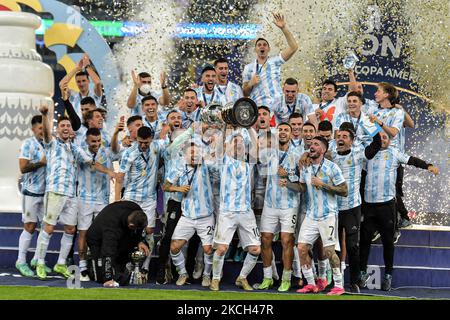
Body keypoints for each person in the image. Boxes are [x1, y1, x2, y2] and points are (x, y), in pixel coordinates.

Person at [359, 132, 439, 291]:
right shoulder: (366, 155)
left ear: (390, 140)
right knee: (364, 241)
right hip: (368, 205)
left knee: (388, 242)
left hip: (387, 206)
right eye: (379, 137)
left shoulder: (394, 153)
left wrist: (428, 165)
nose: (382, 140)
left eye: (385, 138)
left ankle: (388, 275)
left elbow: (412, 160)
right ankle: (361, 273)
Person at [33, 106, 104, 280]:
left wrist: (97, 148)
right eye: (62, 125)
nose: (66, 128)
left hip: (72, 194)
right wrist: (45, 115)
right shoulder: (52, 143)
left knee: (71, 230)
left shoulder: (75, 148)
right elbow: (47, 132)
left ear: (72, 130)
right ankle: (40, 263)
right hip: (55, 191)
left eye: (68, 126)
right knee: (48, 228)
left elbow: (89, 160)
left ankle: (61, 263)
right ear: (58, 130)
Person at [287, 136, 348, 295]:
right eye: (311, 144)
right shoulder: (305, 166)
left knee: (329, 251)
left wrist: (323, 185)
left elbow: (344, 190)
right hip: (311, 214)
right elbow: (302, 187)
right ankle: (311, 284)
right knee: (301, 248)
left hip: (328, 214)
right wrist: (287, 183)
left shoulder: (332, 167)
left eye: (316, 144)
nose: (311, 146)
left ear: (324, 149)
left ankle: (339, 286)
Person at [331, 123, 382, 293]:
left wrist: (373, 125)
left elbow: (377, 144)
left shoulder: (358, 154)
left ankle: (354, 281)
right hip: (332, 208)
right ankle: (336, 283)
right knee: (333, 248)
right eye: (339, 136)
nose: (340, 139)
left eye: (345, 136)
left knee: (352, 246)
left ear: (352, 141)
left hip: (352, 207)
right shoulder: (330, 153)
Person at [210, 129, 260, 291]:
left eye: (241, 142)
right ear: (228, 145)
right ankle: (216, 279)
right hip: (227, 212)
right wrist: (224, 126)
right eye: (235, 141)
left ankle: (242, 277)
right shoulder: (223, 160)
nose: (238, 144)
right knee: (222, 248)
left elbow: (256, 147)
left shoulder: (249, 162)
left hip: (246, 212)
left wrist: (250, 125)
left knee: (255, 249)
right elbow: (219, 148)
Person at [115, 126, 169, 273]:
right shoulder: (129, 153)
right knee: (128, 230)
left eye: (146, 142)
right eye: (140, 142)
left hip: (149, 198)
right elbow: (120, 177)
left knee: (150, 230)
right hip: (132, 197)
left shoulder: (157, 146)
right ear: (136, 139)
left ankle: (144, 266)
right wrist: (116, 200)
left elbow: (171, 139)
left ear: (151, 139)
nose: (143, 145)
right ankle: (126, 263)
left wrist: (168, 127)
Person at [165, 142, 216, 287]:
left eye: (197, 152)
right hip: (187, 216)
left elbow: (217, 160)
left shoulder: (207, 166)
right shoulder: (179, 168)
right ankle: (183, 273)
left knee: (208, 249)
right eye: (191, 153)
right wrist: (178, 188)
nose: (194, 155)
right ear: (185, 155)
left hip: (206, 217)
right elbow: (165, 186)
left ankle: (207, 275)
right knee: (174, 247)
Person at [258, 123, 301, 292]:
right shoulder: (268, 153)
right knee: (265, 239)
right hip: (270, 203)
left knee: (286, 240)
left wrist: (289, 177)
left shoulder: (298, 154)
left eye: (286, 130)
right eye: (280, 130)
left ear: (292, 134)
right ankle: (267, 278)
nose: (283, 132)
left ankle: (286, 279)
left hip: (289, 205)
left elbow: (302, 185)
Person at [76, 127, 120, 281]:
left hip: (102, 200)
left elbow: (117, 151)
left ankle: (100, 266)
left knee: (103, 234)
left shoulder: (106, 152)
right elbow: (93, 165)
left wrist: (115, 134)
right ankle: (82, 269)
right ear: (87, 140)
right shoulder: (81, 152)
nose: (96, 144)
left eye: (98, 141)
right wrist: (109, 172)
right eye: (93, 141)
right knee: (83, 233)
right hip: (84, 199)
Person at [86, 201, 149, 287]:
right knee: (101, 278)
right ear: (130, 225)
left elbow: (139, 231)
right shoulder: (112, 226)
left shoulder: (137, 211)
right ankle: (93, 264)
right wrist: (107, 279)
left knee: (120, 277)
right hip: (97, 240)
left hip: (120, 236)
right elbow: (107, 252)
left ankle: (118, 269)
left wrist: (140, 241)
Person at [242, 12, 298, 108]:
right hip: (260, 108)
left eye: (264, 45)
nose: (262, 46)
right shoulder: (248, 68)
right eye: (259, 45)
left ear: (268, 49)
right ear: (255, 50)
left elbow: (294, 47)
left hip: (278, 106)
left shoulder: (275, 61)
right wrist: (251, 83)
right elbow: (245, 93)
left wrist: (283, 28)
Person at [15, 115, 48, 277]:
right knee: (29, 226)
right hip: (30, 192)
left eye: (45, 128)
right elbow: (23, 168)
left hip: (46, 192)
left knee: (46, 228)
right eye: (40, 128)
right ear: (33, 129)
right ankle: (21, 261)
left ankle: (36, 259)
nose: (43, 131)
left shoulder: (50, 143)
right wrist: (41, 163)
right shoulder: (28, 144)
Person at [59, 54, 103, 119]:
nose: (81, 84)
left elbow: (98, 82)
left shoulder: (95, 95)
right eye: (78, 82)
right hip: (77, 128)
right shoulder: (73, 96)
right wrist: (76, 69)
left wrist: (87, 67)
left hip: (92, 127)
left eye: (83, 80)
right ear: (76, 83)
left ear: (88, 81)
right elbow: (62, 84)